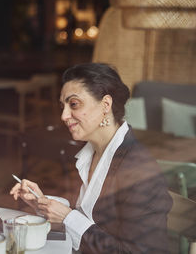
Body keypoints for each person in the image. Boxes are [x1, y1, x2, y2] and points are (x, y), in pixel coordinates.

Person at [10, 63, 173, 253]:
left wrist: (68, 218)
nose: (63, 115)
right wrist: (43, 203)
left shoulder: (138, 169)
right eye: (63, 106)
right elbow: (94, 218)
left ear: (105, 105)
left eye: (74, 104)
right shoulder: (87, 155)